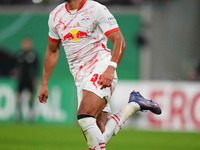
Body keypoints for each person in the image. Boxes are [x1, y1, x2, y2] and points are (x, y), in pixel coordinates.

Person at [38, 0, 162, 149]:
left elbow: (119, 41)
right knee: (99, 131)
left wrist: (111, 68)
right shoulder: (55, 15)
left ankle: (134, 104)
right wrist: (44, 83)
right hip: (80, 77)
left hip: (100, 68)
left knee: (85, 117)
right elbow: (52, 51)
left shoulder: (95, 9)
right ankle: (134, 105)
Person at [16, 37, 38, 122]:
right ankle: (18, 114)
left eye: (28, 43)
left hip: (30, 79)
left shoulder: (33, 55)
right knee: (19, 96)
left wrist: (35, 78)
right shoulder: (19, 54)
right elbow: (15, 66)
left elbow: (36, 68)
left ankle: (30, 114)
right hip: (21, 79)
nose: (26, 45)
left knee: (31, 96)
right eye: (25, 43)